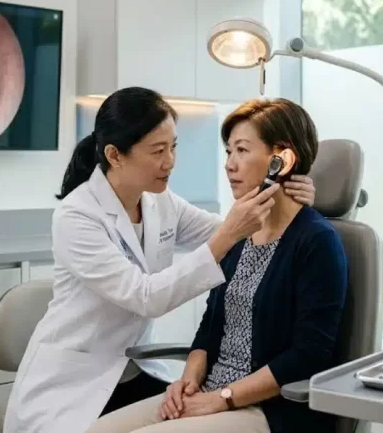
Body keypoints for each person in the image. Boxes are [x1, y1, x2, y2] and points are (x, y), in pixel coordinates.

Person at [3, 87, 318, 433]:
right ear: (115, 155)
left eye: (173, 147)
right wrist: (231, 233)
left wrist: (288, 197)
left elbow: (239, 233)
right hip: (72, 385)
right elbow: (146, 296)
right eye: (158, 151)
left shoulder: (160, 202)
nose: (170, 161)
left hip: (131, 373)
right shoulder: (77, 216)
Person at [86, 98, 349, 433]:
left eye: (241, 150)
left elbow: (309, 354)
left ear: (281, 160)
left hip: (271, 409)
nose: (230, 164)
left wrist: (222, 398)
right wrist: (188, 383)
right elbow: (210, 329)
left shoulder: (317, 241)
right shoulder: (239, 234)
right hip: (211, 394)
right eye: (229, 152)